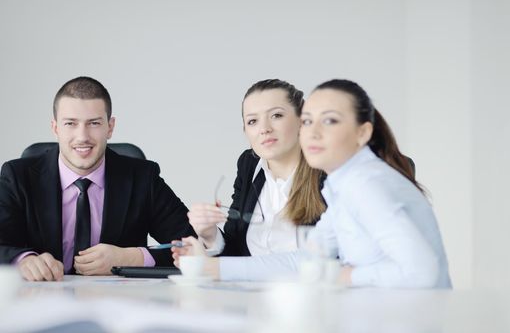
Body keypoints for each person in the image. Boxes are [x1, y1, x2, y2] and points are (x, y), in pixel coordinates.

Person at [173, 79, 451, 289]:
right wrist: (209, 267)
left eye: (330, 121)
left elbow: (422, 271)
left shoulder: (366, 185)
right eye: (308, 121)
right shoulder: (343, 185)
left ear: (363, 132)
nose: (313, 132)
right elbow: (307, 259)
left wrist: (343, 275)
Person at [0, 76, 196, 281]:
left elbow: (195, 245)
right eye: (70, 124)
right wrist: (23, 260)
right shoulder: (17, 176)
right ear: (55, 128)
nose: (82, 136)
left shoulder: (143, 178)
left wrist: (132, 257)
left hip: (120, 304)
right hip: (39, 301)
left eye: (93, 123)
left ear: (110, 127)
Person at [188, 79, 325, 256]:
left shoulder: (328, 171)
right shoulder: (249, 165)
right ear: (245, 130)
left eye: (276, 115)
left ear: (302, 120)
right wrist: (210, 234)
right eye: (253, 121)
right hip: (251, 284)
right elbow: (236, 250)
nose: (264, 129)